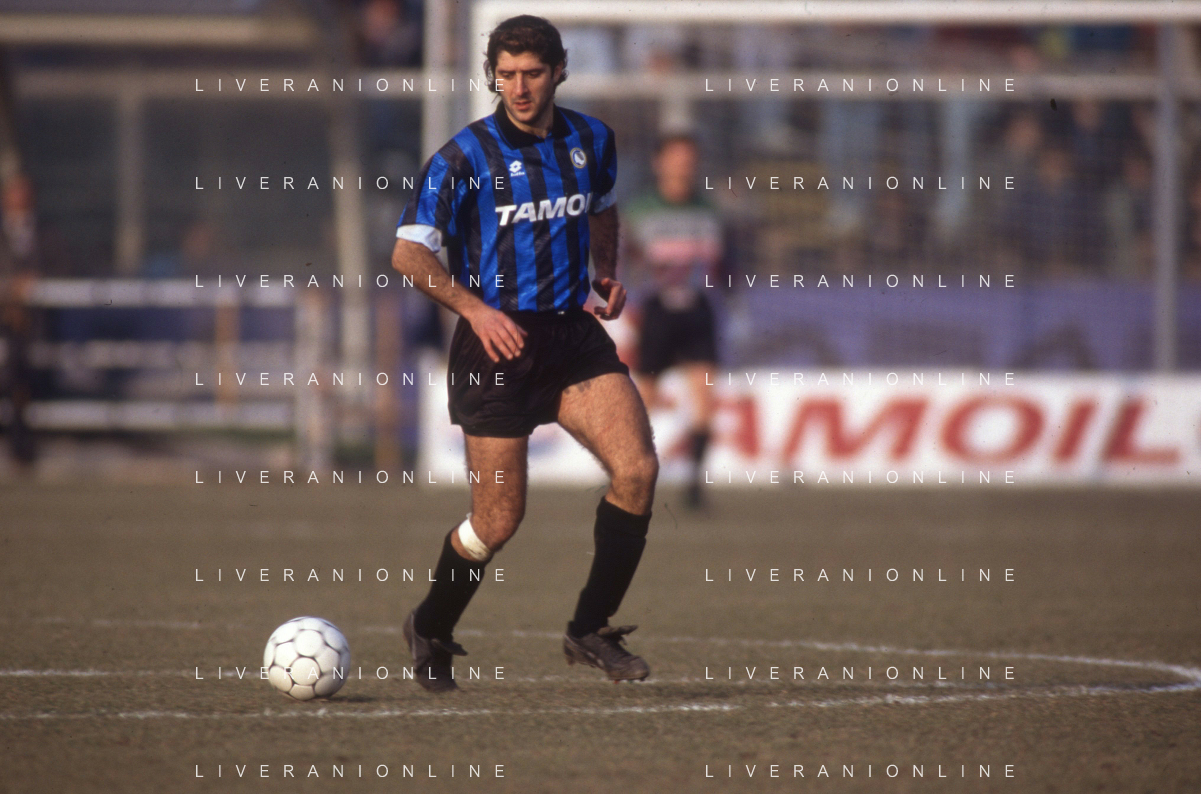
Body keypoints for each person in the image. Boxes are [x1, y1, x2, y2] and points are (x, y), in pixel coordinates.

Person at [391, 15, 659, 693]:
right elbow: (408, 254)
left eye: (532, 73)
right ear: (492, 75)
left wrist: (604, 272)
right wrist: (476, 309)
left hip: (571, 337)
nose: (518, 87)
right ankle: (430, 625)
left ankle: (589, 630)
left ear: (558, 71)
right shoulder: (462, 158)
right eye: (506, 74)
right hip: (494, 348)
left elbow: (602, 207)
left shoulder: (591, 139)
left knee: (637, 470)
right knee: (497, 520)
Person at [624, 134, 722, 508]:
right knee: (644, 397)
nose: (683, 166)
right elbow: (624, 261)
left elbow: (721, 264)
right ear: (659, 163)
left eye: (689, 158)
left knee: (704, 395)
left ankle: (695, 485)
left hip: (697, 311)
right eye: (676, 158)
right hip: (657, 312)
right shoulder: (641, 210)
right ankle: (626, 473)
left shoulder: (708, 210)